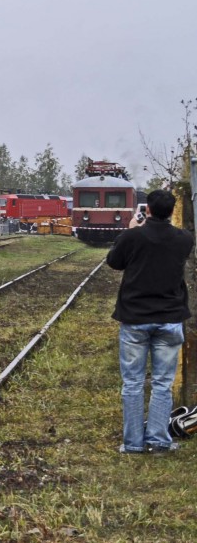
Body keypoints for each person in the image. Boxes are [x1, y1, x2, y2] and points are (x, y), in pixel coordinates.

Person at [107, 189, 195, 453]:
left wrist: (130, 229)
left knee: (132, 383)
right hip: (169, 318)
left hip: (135, 318)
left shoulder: (134, 236)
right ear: (171, 211)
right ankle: (158, 441)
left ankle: (132, 444)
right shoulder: (184, 239)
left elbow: (114, 262)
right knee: (162, 383)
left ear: (148, 210)